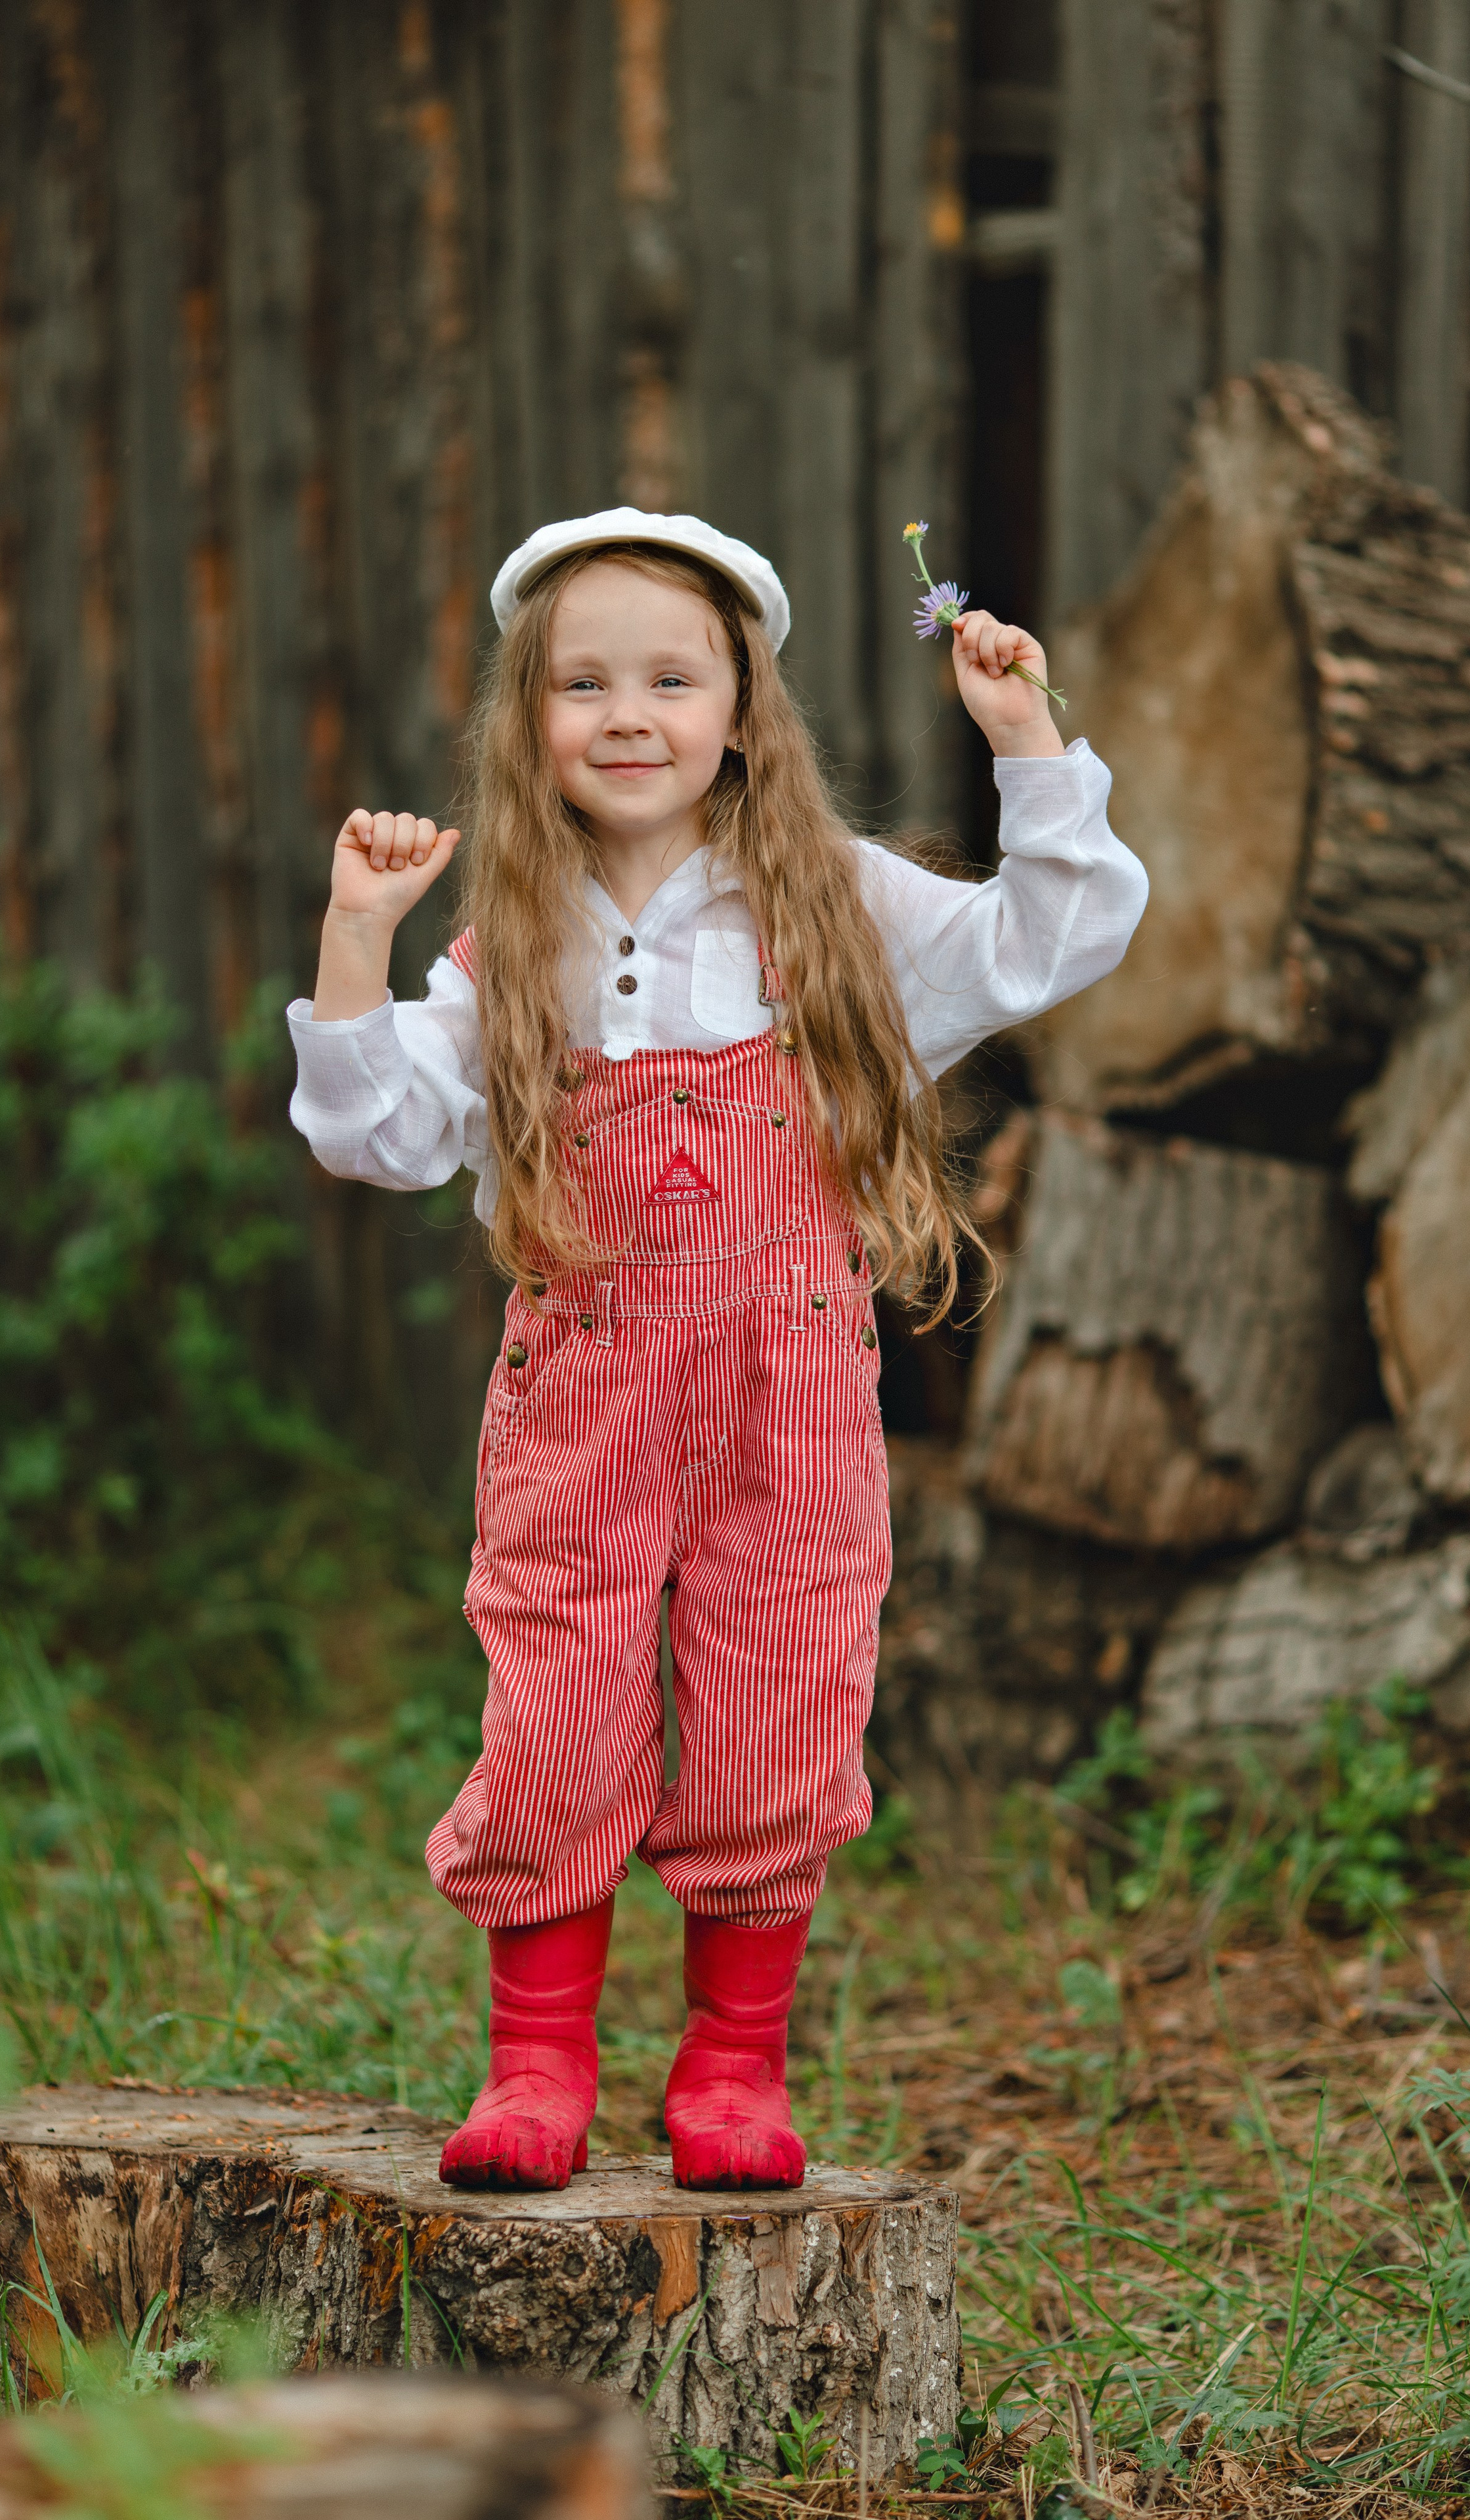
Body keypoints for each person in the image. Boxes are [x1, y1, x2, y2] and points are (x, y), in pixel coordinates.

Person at [286, 507, 1148, 2195]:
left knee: (778, 1688)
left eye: (670, 677)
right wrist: (357, 931)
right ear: (526, 718)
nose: (628, 712)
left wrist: (1025, 742)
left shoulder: (832, 908)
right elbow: (375, 1132)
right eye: (583, 680)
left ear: (741, 709)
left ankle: (732, 2067)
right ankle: (536, 2061)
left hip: (789, 1385)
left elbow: (1048, 943)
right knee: (555, 1704)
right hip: (584, 1387)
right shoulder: (510, 943)